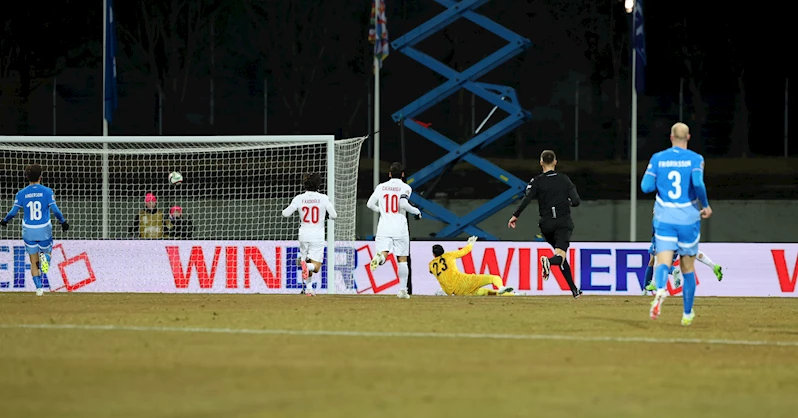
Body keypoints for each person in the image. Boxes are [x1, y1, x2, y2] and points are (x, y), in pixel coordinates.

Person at [641, 122, 712, 326]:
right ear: (688, 137)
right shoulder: (696, 159)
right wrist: (705, 206)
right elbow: (698, 183)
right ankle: (687, 314)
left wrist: (660, 183)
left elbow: (646, 186)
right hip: (688, 218)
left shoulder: (658, 158)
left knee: (662, 261)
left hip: (665, 218)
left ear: (671, 137)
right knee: (687, 267)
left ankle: (660, 289)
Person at [508, 150, 582, 298]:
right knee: (559, 256)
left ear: (541, 163)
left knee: (560, 254)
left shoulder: (536, 181)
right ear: (555, 162)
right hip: (562, 223)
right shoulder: (564, 179)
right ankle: (548, 261)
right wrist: (565, 201)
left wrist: (515, 215)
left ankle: (574, 290)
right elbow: (576, 201)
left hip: (546, 225)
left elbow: (526, 199)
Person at [0, 164, 69, 296]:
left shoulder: (21, 193)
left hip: (29, 230)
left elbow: (13, 212)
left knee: (33, 261)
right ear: (41, 177)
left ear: (27, 177)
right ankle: (45, 260)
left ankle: (39, 289)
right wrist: (63, 222)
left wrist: (5, 220)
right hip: (43, 229)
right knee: (46, 256)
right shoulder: (47, 191)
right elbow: (55, 210)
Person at [366, 162, 421, 299]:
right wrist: (416, 211)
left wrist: (381, 211)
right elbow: (403, 204)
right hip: (400, 227)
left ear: (390, 174)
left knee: (383, 253)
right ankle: (402, 290)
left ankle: (380, 258)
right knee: (402, 259)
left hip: (384, 226)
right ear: (403, 175)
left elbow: (370, 204)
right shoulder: (405, 187)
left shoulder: (381, 187)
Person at [282, 173, 337, 296]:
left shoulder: (298, 198)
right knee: (315, 266)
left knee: (306, 261)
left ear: (304, 185)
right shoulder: (323, 198)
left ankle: (309, 289)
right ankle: (307, 273)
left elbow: (286, 213)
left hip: (303, 234)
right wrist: (326, 216)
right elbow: (334, 215)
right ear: (319, 184)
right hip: (317, 236)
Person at [429, 236, 514, 296]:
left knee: (486, 292)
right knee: (494, 278)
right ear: (443, 251)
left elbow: (432, 271)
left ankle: (514, 295)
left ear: (433, 254)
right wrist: (470, 244)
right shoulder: (449, 255)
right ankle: (501, 287)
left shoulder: (431, 265)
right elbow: (464, 251)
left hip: (457, 292)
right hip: (464, 281)